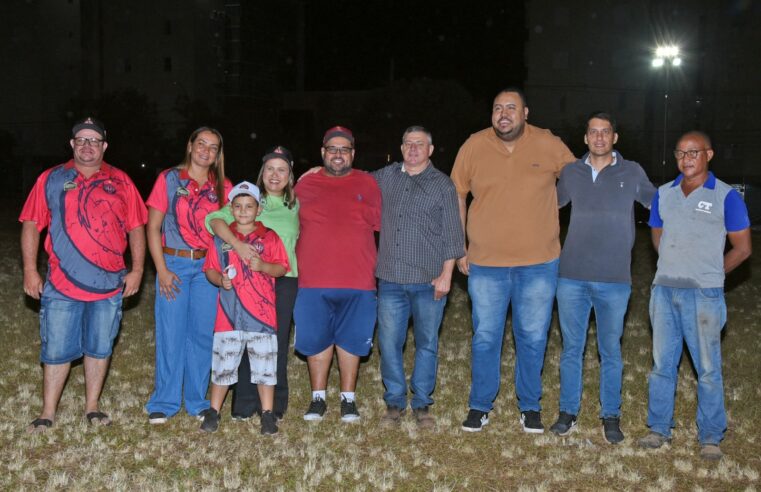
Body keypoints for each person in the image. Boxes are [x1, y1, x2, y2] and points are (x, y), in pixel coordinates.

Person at [451, 87, 575, 433]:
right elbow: (457, 194)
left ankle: (530, 406)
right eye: (497, 108)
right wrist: (459, 245)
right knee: (486, 336)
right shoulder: (474, 145)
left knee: (533, 336)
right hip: (485, 262)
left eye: (511, 108)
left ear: (526, 113)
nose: (503, 114)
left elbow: (579, 181)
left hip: (539, 261)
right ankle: (479, 405)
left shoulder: (548, 143)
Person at [20, 117, 147, 432]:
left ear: (104, 146)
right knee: (56, 348)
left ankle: (92, 407)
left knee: (100, 346)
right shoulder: (51, 178)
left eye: (94, 140)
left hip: (108, 284)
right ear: (72, 144)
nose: (87, 145)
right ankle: (48, 411)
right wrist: (29, 270)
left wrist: (139, 270)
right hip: (62, 284)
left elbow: (136, 227)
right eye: (81, 140)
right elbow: (31, 224)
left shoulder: (121, 181)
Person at [638, 131, 751, 461]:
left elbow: (743, 249)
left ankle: (711, 436)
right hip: (664, 292)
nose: (686, 159)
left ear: (709, 155)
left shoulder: (726, 196)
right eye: (680, 153)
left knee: (707, 368)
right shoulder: (663, 193)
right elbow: (657, 236)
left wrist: (711, 276)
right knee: (662, 365)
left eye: (693, 152)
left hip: (704, 295)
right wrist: (674, 266)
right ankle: (659, 428)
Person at [549, 113, 656, 443]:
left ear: (615, 137)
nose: (598, 137)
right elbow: (543, 207)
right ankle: (567, 412)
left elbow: (661, 205)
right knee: (572, 349)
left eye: (605, 132)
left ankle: (611, 415)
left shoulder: (632, 171)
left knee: (610, 350)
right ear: (585, 139)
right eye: (593, 132)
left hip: (614, 279)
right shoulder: (571, 173)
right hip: (571, 277)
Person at [375, 126, 465, 429]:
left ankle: (423, 403)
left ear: (431, 149)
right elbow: (353, 183)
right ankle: (395, 401)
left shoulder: (443, 185)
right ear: (401, 149)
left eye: (420, 144)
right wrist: (319, 171)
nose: (413, 149)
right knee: (389, 343)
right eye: (408, 144)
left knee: (427, 343)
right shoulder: (386, 177)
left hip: (428, 281)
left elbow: (454, 234)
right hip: (389, 278)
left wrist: (446, 276)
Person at [145, 127, 232, 425]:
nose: (206, 150)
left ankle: (197, 400)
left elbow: (247, 215)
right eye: (201, 144)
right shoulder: (169, 179)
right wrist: (162, 270)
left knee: (202, 335)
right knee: (171, 332)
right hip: (175, 265)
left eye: (213, 147)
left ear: (218, 154)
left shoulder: (223, 187)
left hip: (207, 269)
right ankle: (165, 401)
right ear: (190, 146)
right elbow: (152, 227)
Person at [294, 126, 381, 422]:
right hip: (312, 280)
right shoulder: (303, 186)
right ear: (323, 153)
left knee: (352, 340)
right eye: (333, 149)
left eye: (345, 149)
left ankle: (348, 399)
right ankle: (318, 398)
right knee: (317, 340)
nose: (338, 154)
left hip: (358, 280)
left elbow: (386, 226)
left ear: (353, 154)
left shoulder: (369, 184)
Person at [206, 146, 300, 421]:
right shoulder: (250, 199)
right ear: (262, 173)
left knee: (274, 342)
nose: (275, 174)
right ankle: (244, 402)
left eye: (282, 169)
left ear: (290, 175)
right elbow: (214, 220)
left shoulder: (296, 202)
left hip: (283, 279)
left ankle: (274, 404)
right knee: (242, 337)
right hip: (245, 280)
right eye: (270, 168)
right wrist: (237, 245)